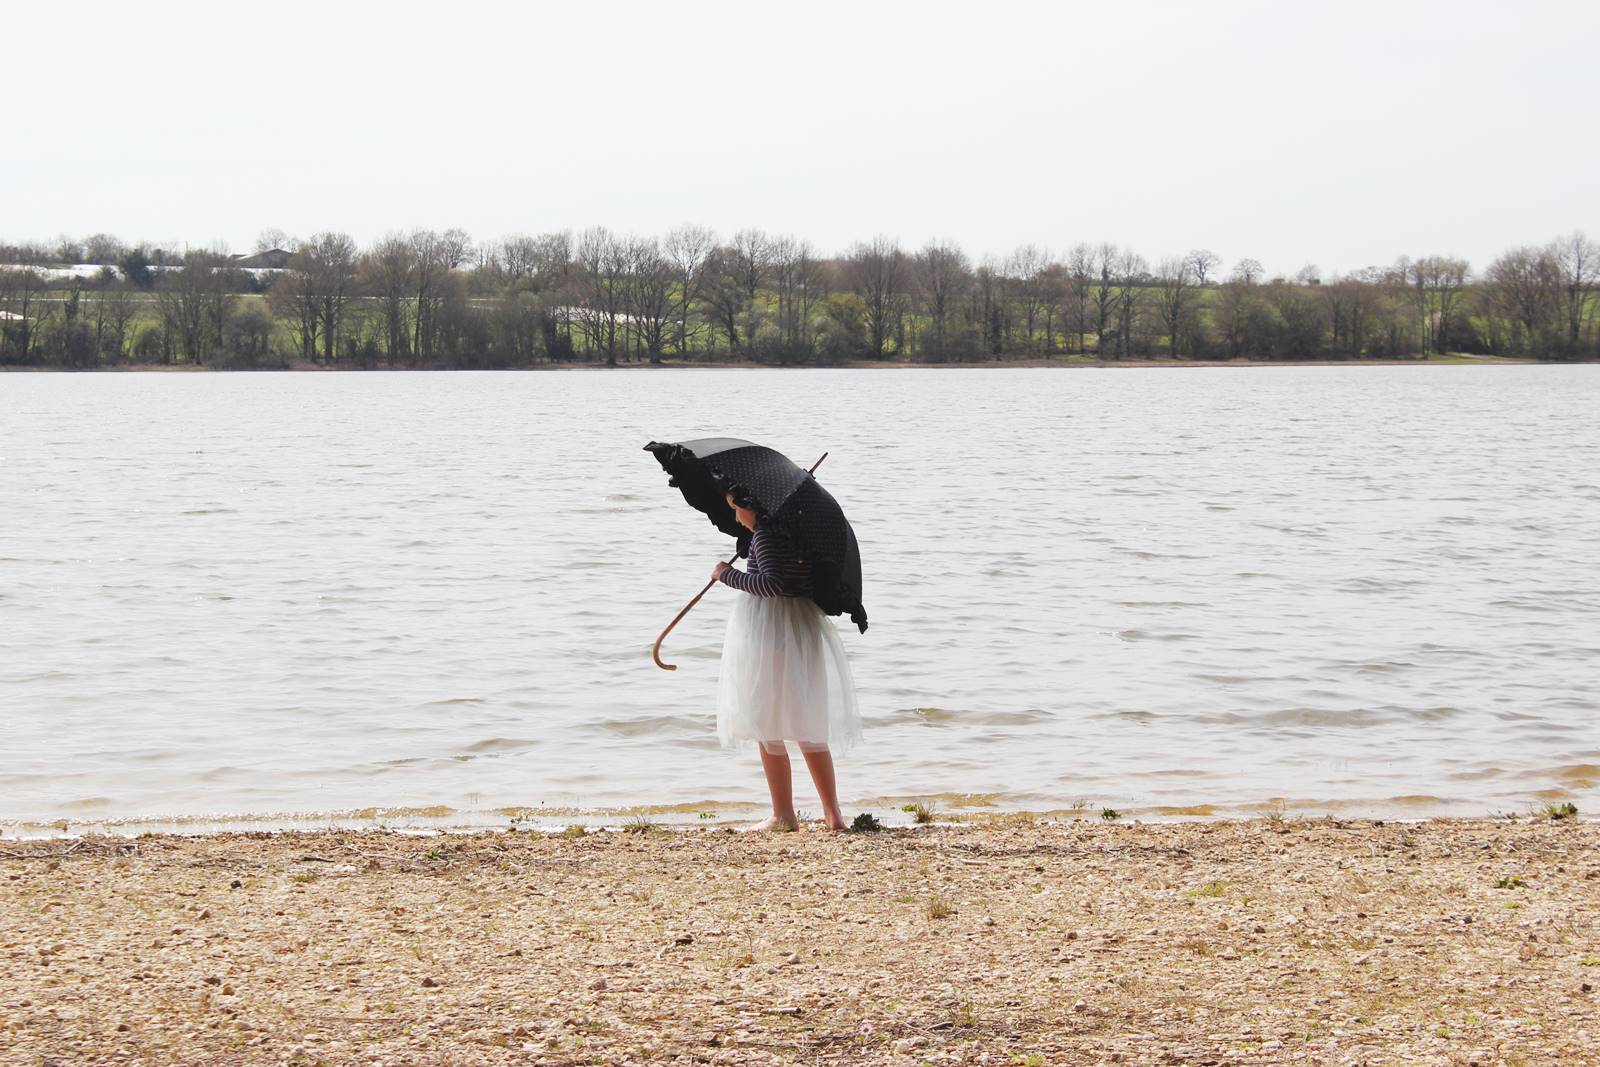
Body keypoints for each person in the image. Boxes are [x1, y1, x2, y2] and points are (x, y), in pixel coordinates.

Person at [712, 489, 860, 831]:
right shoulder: (795, 534)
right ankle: (832, 814)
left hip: (773, 630)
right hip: (801, 627)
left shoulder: (764, 536)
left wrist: (726, 574)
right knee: (805, 719)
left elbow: (771, 584)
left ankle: (783, 813)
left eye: (737, 510)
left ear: (753, 508)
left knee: (767, 719)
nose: (737, 518)